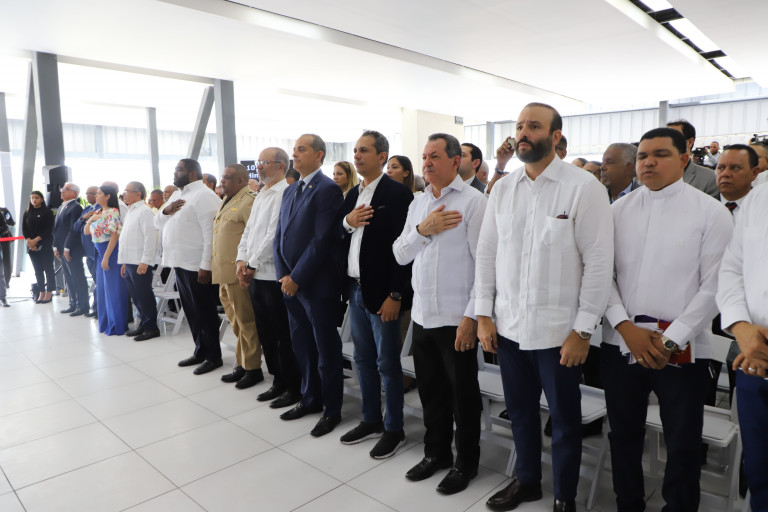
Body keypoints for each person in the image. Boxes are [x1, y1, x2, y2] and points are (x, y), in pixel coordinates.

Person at [477, 103, 613, 512]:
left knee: (565, 421)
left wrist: (583, 330)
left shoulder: (582, 187)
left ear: (555, 136)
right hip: (509, 328)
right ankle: (527, 482)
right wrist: (483, 314)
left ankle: (564, 497)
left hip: (560, 334)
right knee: (519, 413)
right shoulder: (504, 188)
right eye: (519, 126)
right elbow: (487, 253)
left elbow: (599, 264)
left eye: (533, 126)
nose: (523, 133)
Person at [601, 127, 732, 512]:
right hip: (622, 342)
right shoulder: (617, 211)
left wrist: (671, 339)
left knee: (683, 440)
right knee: (623, 433)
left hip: (682, 348)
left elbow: (715, 286)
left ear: (684, 159)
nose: (648, 163)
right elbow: (602, 275)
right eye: (643, 156)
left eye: (660, 154)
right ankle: (628, 503)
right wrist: (625, 328)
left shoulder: (710, 212)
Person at [393, 132, 486, 495]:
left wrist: (471, 318)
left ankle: (466, 463)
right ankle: (436, 454)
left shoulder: (474, 202)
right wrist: (423, 230)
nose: (427, 163)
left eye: (434, 156)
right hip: (423, 315)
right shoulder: (418, 204)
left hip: (456, 318)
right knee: (431, 392)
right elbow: (401, 253)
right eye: (424, 156)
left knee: (463, 397)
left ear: (455, 161)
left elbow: (485, 267)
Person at [338, 131, 413, 459]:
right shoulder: (353, 193)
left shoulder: (397, 194)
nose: (357, 155)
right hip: (355, 288)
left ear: (382, 156)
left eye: (364, 150)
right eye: (355, 150)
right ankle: (371, 419)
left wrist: (396, 294)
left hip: (383, 293)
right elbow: (337, 233)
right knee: (363, 359)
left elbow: (405, 250)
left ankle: (394, 428)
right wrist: (347, 221)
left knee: (387, 363)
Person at [273, 133, 345, 438]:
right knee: (302, 345)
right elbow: (280, 235)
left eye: (301, 149)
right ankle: (310, 397)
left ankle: (331, 409)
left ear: (318, 155)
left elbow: (322, 240)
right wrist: (283, 274)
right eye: (294, 150)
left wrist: (297, 277)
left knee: (325, 349)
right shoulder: (291, 190)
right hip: (290, 283)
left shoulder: (327, 189)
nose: (295, 154)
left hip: (316, 284)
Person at [717, 172, 768, 512]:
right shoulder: (760, 198)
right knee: (759, 467)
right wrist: (740, 325)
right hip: (753, 359)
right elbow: (732, 268)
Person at [238, 147, 302, 408]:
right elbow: (249, 231)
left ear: (281, 166)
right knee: (265, 332)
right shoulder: (261, 193)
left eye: (265, 162)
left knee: (282, 334)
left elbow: (274, 234)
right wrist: (241, 260)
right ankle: (277, 380)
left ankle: (293, 386)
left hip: (274, 275)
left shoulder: (285, 193)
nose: (259, 166)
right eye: (259, 162)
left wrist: (251, 264)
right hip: (255, 274)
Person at [155, 159, 223, 375]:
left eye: (179, 169)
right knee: (192, 312)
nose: (174, 173)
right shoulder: (177, 194)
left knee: (205, 312)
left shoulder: (204, 196)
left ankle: (213, 356)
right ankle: (200, 350)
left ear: (192, 172)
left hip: (196, 265)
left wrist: (206, 265)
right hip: (179, 262)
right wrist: (166, 211)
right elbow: (157, 223)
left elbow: (210, 235)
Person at [213, 164, 264, 389]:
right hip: (224, 272)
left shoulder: (249, 200)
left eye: (226, 178)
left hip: (239, 272)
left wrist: (248, 266)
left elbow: (253, 238)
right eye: (222, 177)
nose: (222, 181)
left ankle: (252, 368)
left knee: (246, 322)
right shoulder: (228, 199)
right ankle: (242, 363)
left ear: (241, 180)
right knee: (236, 323)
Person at [85, 185, 130, 335]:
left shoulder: (113, 212)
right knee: (103, 289)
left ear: (108, 196)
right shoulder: (99, 212)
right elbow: (86, 231)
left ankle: (117, 324)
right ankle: (106, 322)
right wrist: (91, 219)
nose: (96, 196)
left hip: (110, 253)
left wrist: (106, 257)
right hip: (99, 253)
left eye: (99, 193)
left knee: (114, 290)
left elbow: (114, 236)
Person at [118, 181, 160, 341]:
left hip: (140, 261)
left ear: (138, 194)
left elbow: (150, 238)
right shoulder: (131, 210)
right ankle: (143, 323)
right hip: (130, 260)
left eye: (127, 191)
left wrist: (145, 260)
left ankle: (151, 328)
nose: (124, 194)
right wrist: (124, 261)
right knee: (136, 296)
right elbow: (126, 237)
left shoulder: (145, 211)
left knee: (144, 295)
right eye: (124, 191)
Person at [53, 182, 90, 316]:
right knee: (69, 277)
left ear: (74, 193)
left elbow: (73, 230)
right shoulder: (62, 207)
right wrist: (56, 246)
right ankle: (73, 303)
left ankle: (82, 305)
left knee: (77, 277)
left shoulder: (76, 207)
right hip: (62, 248)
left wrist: (67, 247)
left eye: (66, 189)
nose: (62, 191)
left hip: (71, 249)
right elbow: (57, 229)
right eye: (62, 189)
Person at [666, 120, 719, 197]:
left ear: (690, 142)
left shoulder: (709, 178)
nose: (666, 144)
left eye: (673, 139)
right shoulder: (654, 175)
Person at [22, 191, 55, 303]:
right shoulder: (27, 212)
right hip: (31, 246)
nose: (34, 200)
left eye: (36, 197)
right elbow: (24, 229)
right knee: (38, 270)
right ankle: (41, 292)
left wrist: (36, 240)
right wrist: (29, 241)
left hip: (45, 244)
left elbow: (48, 229)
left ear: (42, 199)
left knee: (48, 269)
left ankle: (49, 292)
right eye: (32, 198)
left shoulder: (47, 212)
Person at [73, 186, 100, 317]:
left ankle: (98, 308)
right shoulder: (87, 209)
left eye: (90, 193)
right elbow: (75, 227)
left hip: (97, 251)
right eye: (87, 193)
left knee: (99, 282)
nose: (87, 195)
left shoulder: (101, 209)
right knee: (96, 280)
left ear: (97, 194)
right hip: (88, 252)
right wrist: (83, 218)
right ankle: (96, 308)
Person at [716, 144, 759, 216]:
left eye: (735, 168)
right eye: (721, 168)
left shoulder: (763, 207)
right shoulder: (703, 207)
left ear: (754, 173)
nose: (725, 174)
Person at [0, 205, 14, 288]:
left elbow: (10, 223)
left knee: (6, 261)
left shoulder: (4, 210)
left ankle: (6, 282)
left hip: (4, 238)